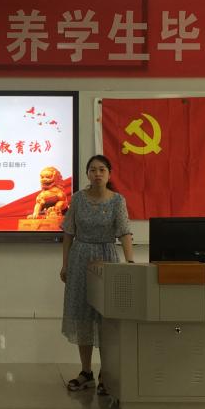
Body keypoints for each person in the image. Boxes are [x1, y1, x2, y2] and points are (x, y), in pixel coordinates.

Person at [60, 154, 134, 396]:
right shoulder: (77, 199)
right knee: (82, 315)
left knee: (105, 318)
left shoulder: (117, 200)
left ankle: (106, 374)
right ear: (87, 174)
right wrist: (65, 265)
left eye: (102, 169)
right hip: (80, 259)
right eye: (92, 169)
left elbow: (124, 232)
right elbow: (68, 233)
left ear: (109, 174)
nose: (97, 173)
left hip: (106, 259)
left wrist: (130, 262)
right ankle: (86, 372)